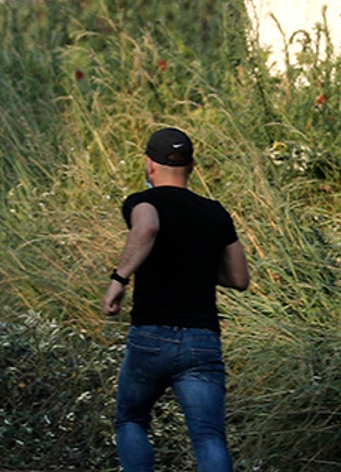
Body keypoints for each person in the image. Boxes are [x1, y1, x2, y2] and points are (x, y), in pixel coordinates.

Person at [102, 127, 251, 472]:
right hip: (201, 339)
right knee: (209, 437)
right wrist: (195, 262)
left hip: (151, 335)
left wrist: (118, 280)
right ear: (192, 165)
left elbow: (147, 227)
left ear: (149, 164)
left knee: (131, 420)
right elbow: (239, 278)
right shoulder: (215, 212)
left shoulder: (143, 202)